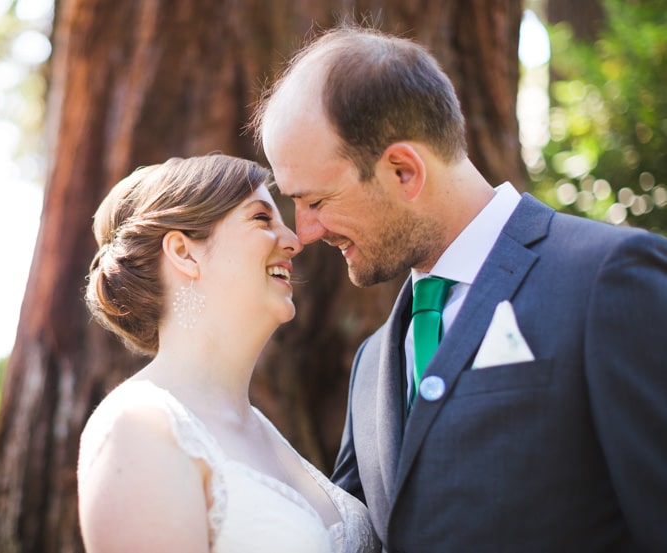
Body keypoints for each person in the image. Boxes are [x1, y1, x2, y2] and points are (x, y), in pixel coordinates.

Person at [254, 25, 667, 553]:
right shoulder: (372, 364)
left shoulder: (606, 279)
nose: (304, 232)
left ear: (404, 171)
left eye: (315, 201)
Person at [76, 154, 380, 553]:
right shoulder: (138, 427)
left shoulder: (263, 430)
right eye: (261, 218)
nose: (293, 240)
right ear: (184, 253)